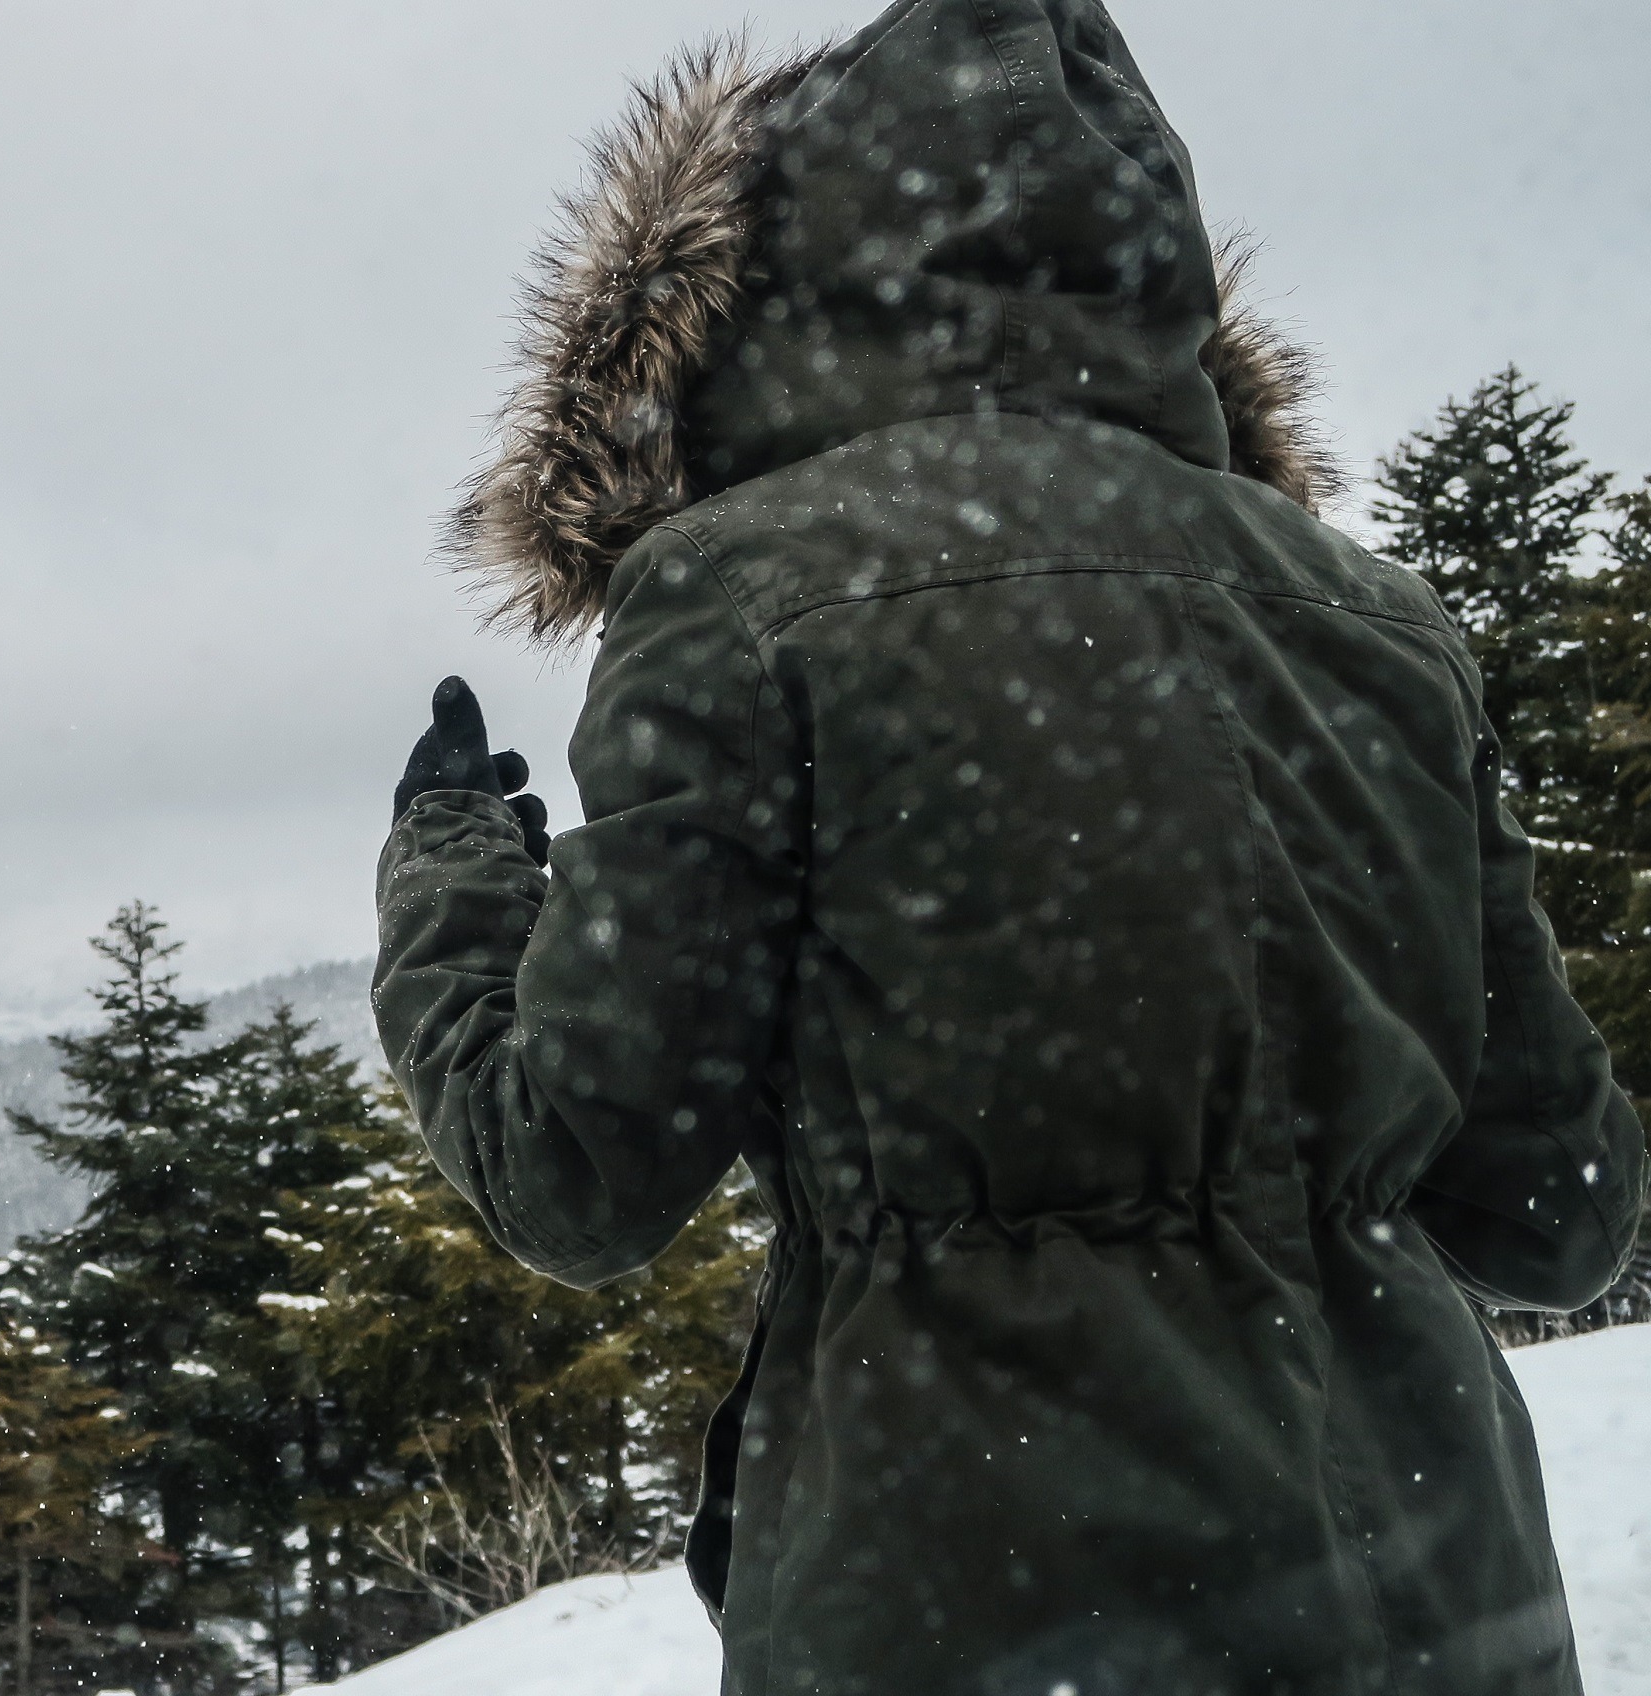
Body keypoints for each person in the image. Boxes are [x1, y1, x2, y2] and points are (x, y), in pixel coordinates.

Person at [371, 1, 1644, 1691]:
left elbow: (576, 1173)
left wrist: (451, 879)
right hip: (1441, 1599)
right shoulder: (1375, 620)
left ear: (753, 282)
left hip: (982, 1602)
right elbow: (1561, 1214)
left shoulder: (742, 600)